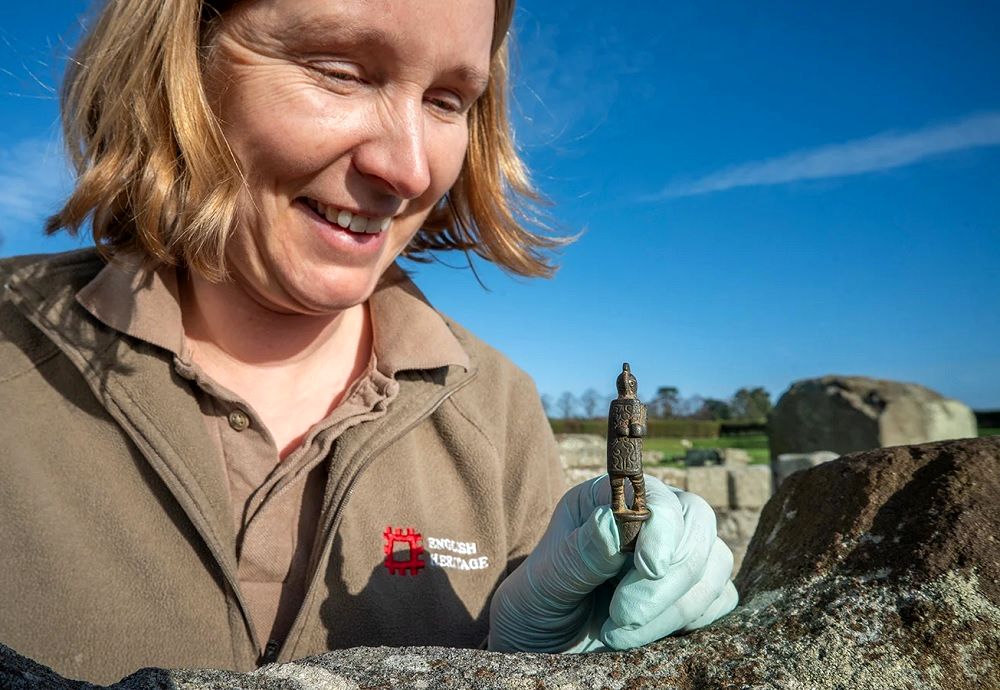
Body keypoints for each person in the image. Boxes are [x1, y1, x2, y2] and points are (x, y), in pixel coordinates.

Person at [0, 0, 737, 684]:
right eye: (340, 73)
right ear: (183, 62)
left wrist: (539, 667)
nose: (409, 170)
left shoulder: (498, 405)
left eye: (448, 101)